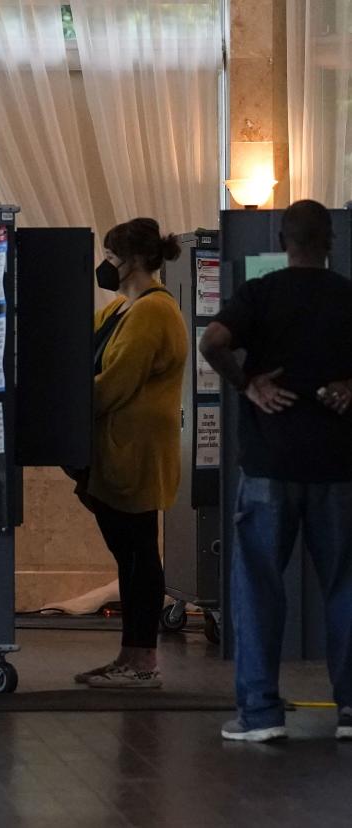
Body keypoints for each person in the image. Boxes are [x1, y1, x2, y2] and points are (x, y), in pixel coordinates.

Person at [199, 199, 352, 742]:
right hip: (338, 468)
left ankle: (260, 713)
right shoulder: (347, 296)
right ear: (329, 240)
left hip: (269, 465)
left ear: (283, 241)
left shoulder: (258, 295)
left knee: (259, 586)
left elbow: (212, 343)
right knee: (344, 587)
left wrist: (249, 386)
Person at [72, 218, 187, 689]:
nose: (106, 264)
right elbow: (79, 355)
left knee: (138, 558)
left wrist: (68, 400)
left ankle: (142, 662)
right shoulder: (121, 309)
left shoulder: (153, 312)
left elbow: (113, 385)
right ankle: (130, 656)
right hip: (114, 452)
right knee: (130, 556)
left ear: (134, 261)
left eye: (111, 255)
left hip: (133, 455)